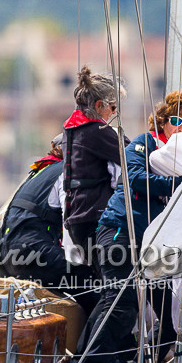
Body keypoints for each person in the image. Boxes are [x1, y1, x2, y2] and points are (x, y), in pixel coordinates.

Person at [76, 89, 182, 363]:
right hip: (120, 230)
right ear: (163, 121)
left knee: (169, 321)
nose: (181, 128)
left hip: (153, 246)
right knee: (121, 301)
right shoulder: (145, 143)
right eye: (176, 121)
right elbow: (135, 178)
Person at [61, 66, 126, 312]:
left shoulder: (72, 130)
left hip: (78, 219)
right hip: (93, 219)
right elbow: (131, 154)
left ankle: (95, 336)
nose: (114, 113)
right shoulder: (96, 132)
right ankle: (95, 339)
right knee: (118, 295)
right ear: (99, 105)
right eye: (113, 107)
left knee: (108, 291)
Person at [0, 135, 71, 292]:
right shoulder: (66, 172)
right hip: (32, 254)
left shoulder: (39, 171)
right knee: (95, 285)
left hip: (4, 258)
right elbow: (70, 221)